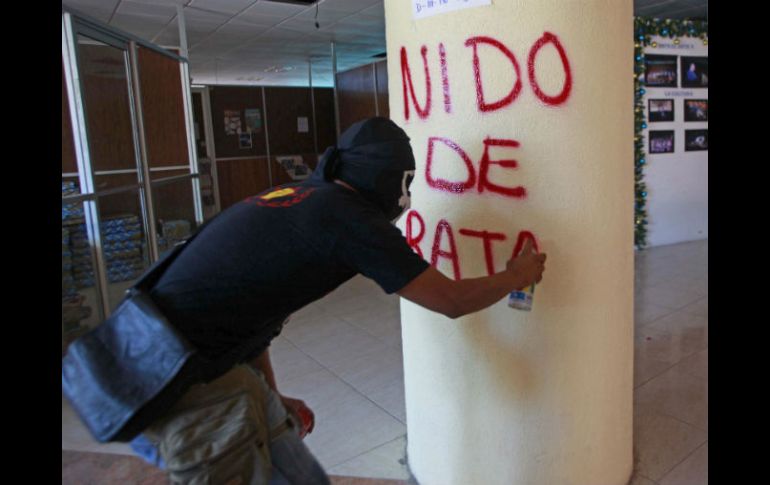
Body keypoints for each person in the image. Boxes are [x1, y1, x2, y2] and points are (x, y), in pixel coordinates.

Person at [66, 117, 547, 484]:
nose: (410, 194)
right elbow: (450, 300)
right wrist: (514, 276)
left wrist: (272, 395)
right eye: (406, 179)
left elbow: (254, 310)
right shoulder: (351, 219)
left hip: (198, 363)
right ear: (386, 179)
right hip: (180, 391)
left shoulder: (297, 197)